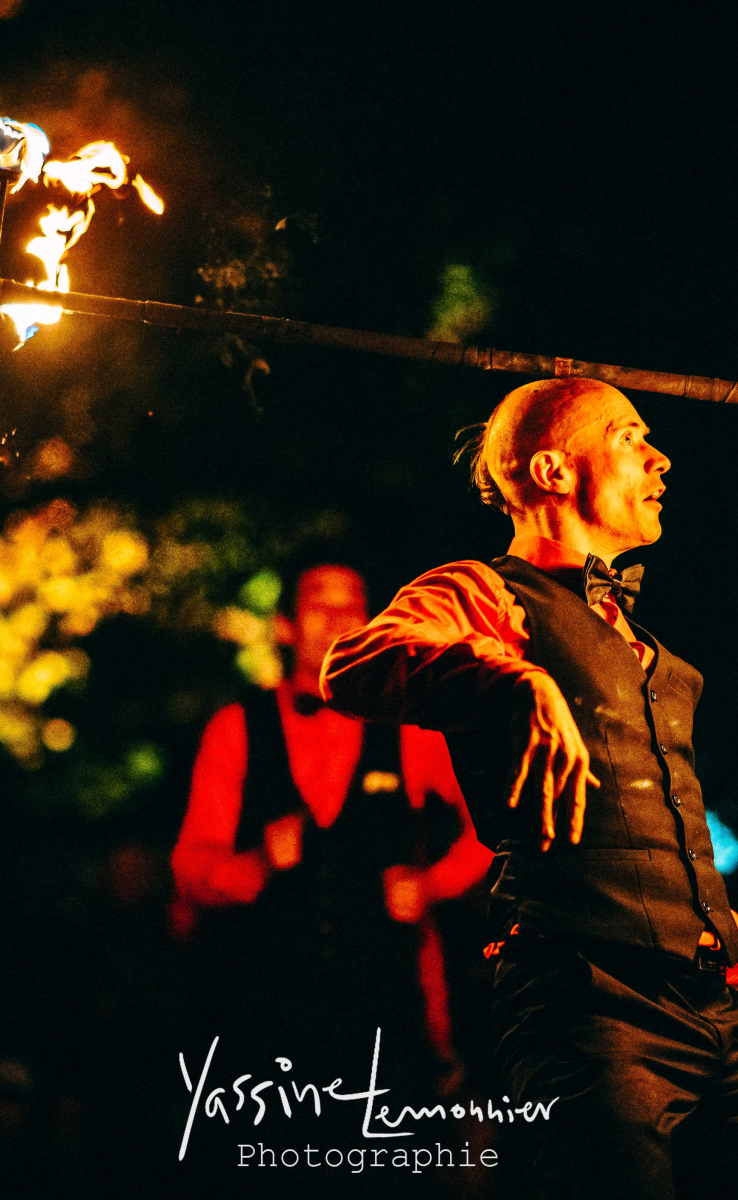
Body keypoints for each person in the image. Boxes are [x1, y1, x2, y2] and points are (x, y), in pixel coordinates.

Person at [320, 378, 738, 1200]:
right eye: (629, 437)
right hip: (595, 1007)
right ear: (552, 471)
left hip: (716, 1002)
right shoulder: (489, 592)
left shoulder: (640, 639)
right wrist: (512, 678)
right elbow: (358, 661)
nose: (659, 459)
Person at [171, 564, 491, 1090]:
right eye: (319, 604)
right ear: (285, 626)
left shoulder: (408, 726)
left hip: (387, 1021)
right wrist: (256, 866)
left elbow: (492, 825)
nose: (338, 619)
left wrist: (433, 885)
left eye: (352, 607)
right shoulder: (237, 728)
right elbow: (189, 869)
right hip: (263, 1025)